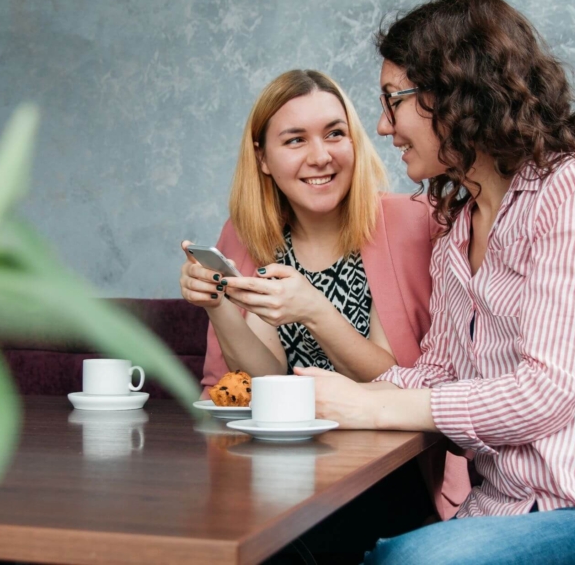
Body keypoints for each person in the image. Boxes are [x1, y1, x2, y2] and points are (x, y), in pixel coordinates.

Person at [294, 0, 575, 564]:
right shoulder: (455, 235)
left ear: (455, 92)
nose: (382, 125)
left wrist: (369, 407)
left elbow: (546, 392)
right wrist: (329, 398)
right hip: (509, 511)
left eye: (394, 101)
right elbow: (437, 377)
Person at [178, 69, 471, 521]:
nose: (321, 157)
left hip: (394, 475)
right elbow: (265, 377)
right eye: (295, 140)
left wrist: (315, 311)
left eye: (335, 134)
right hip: (279, 471)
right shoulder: (245, 235)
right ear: (263, 159)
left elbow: (402, 384)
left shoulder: (413, 223)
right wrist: (219, 307)